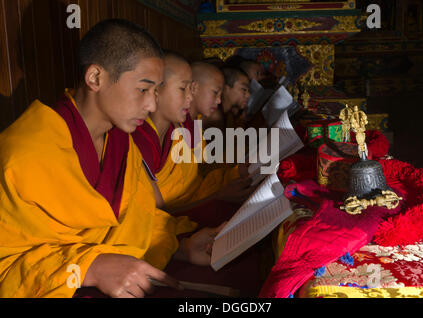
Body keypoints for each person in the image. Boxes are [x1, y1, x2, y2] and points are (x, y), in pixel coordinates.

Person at [0, 19, 224, 298]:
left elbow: (139, 221)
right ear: (95, 78)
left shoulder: (123, 144)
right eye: (143, 89)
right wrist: (86, 268)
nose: (151, 104)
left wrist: (182, 246)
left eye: (156, 91)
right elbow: (6, 268)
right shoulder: (23, 153)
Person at [132, 53, 254, 212]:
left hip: (192, 202)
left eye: (191, 88)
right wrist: (217, 197)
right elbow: (158, 214)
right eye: (183, 88)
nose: (190, 96)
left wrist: (237, 171)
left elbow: (198, 173)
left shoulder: (183, 126)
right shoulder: (140, 139)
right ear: (155, 89)